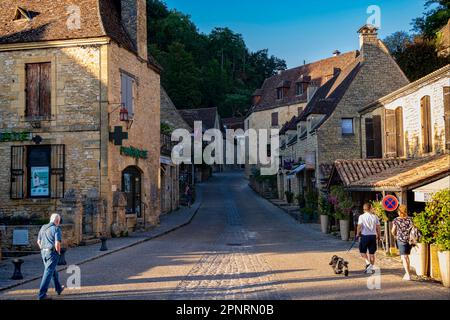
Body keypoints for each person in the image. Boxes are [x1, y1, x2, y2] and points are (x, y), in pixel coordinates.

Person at [37, 213, 64, 300]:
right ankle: (42, 295)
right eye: (59, 221)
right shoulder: (56, 229)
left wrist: (43, 249)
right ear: (57, 221)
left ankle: (58, 288)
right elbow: (57, 244)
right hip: (52, 253)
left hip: (43, 252)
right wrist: (58, 252)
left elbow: (38, 241)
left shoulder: (43, 227)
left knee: (52, 270)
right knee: (48, 272)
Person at [357, 203, 381, 274]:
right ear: (370, 208)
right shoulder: (375, 217)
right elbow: (378, 227)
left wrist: (357, 234)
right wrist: (379, 235)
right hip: (373, 236)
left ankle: (368, 263)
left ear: (364, 209)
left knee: (362, 252)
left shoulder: (361, 216)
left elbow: (359, 226)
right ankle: (370, 268)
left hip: (365, 236)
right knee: (372, 253)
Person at [392, 205, 414, 281]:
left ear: (399, 211)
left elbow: (393, 231)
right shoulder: (410, 219)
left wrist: (395, 235)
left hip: (401, 239)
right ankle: (407, 272)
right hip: (409, 240)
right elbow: (413, 228)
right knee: (407, 256)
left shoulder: (396, 220)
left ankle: (408, 274)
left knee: (404, 257)